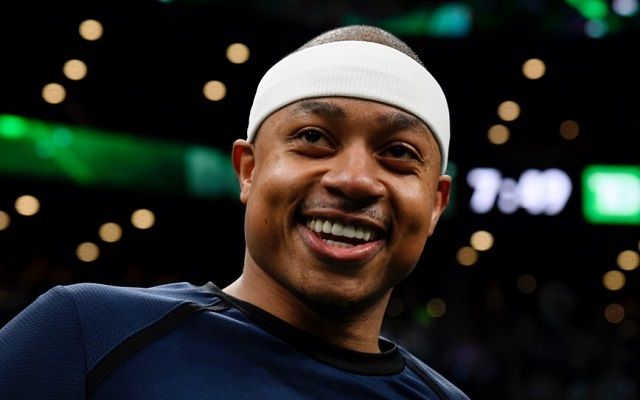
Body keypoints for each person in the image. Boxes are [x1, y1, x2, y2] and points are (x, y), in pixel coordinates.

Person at [0, 24, 468, 399]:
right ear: (249, 169)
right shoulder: (85, 336)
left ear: (435, 204)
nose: (354, 180)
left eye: (399, 152)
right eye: (313, 137)